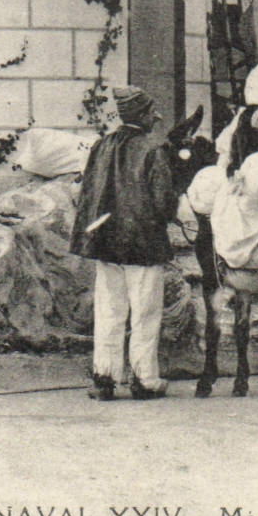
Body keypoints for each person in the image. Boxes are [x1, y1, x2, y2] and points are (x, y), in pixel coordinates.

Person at [71, 86, 180, 402]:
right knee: (145, 312)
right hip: (143, 244)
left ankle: (104, 378)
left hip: (106, 244)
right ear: (142, 116)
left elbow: (88, 194)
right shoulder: (154, 149)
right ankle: (144, 380)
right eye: (152, 112)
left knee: (108, 310)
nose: (156, 117)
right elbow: (162, 202)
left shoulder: (102, 146)